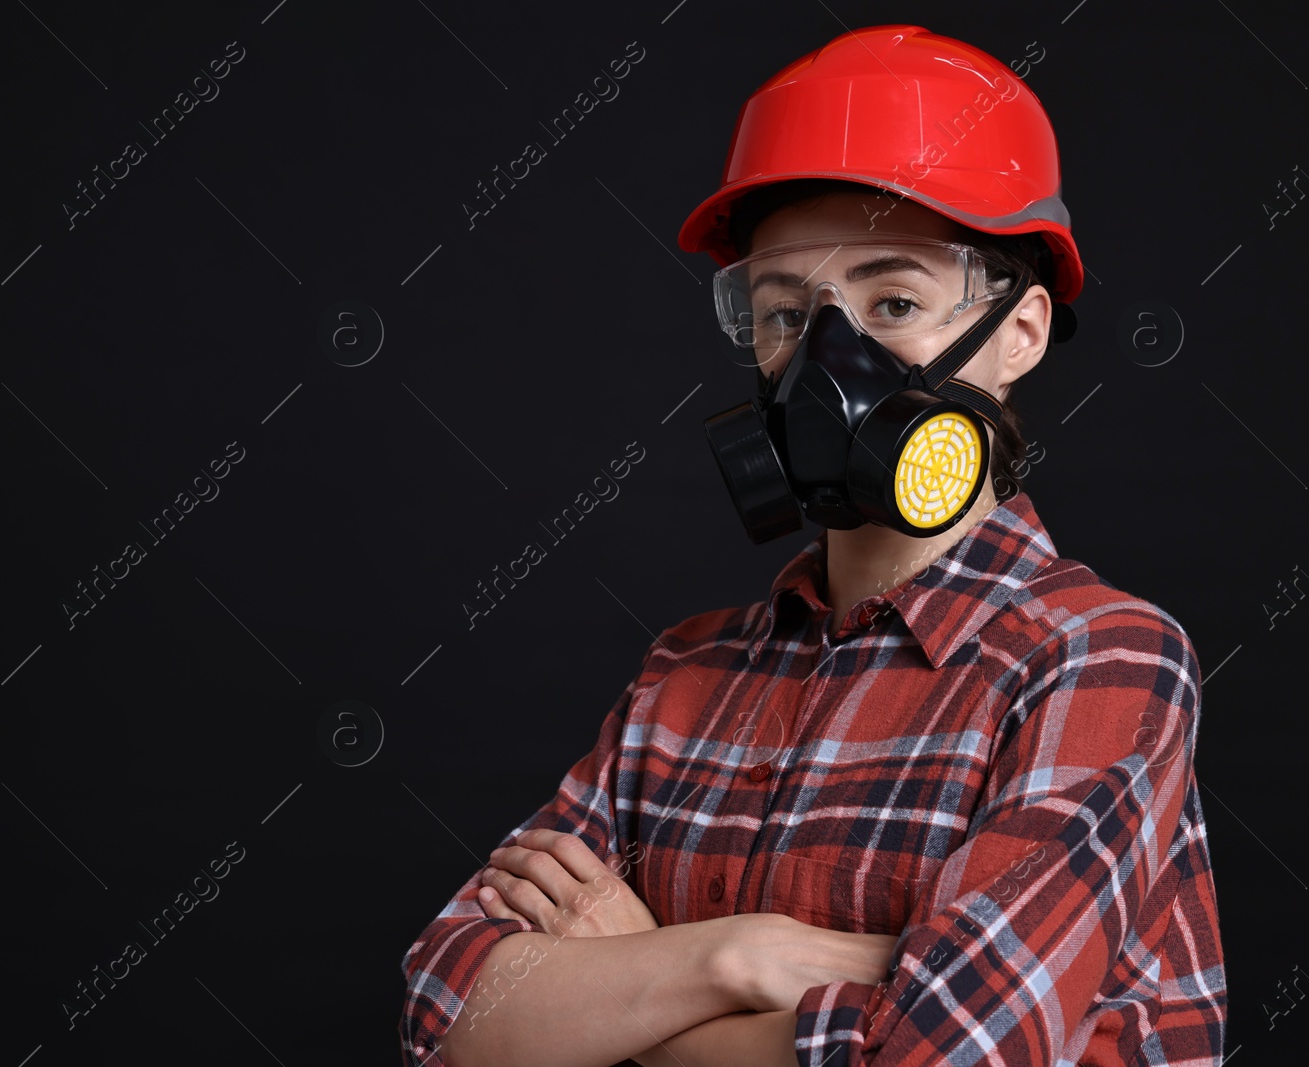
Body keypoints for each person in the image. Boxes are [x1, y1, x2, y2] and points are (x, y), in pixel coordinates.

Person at [399, 24, 1226, 1067]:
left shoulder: (1097, 659)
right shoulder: (685, 674)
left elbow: (943, 1055)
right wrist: (739, 956)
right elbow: (447, 1015)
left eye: (893, 301)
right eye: (785, 311)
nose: (829, 362)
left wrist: (637, 996)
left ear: (1016, 332)